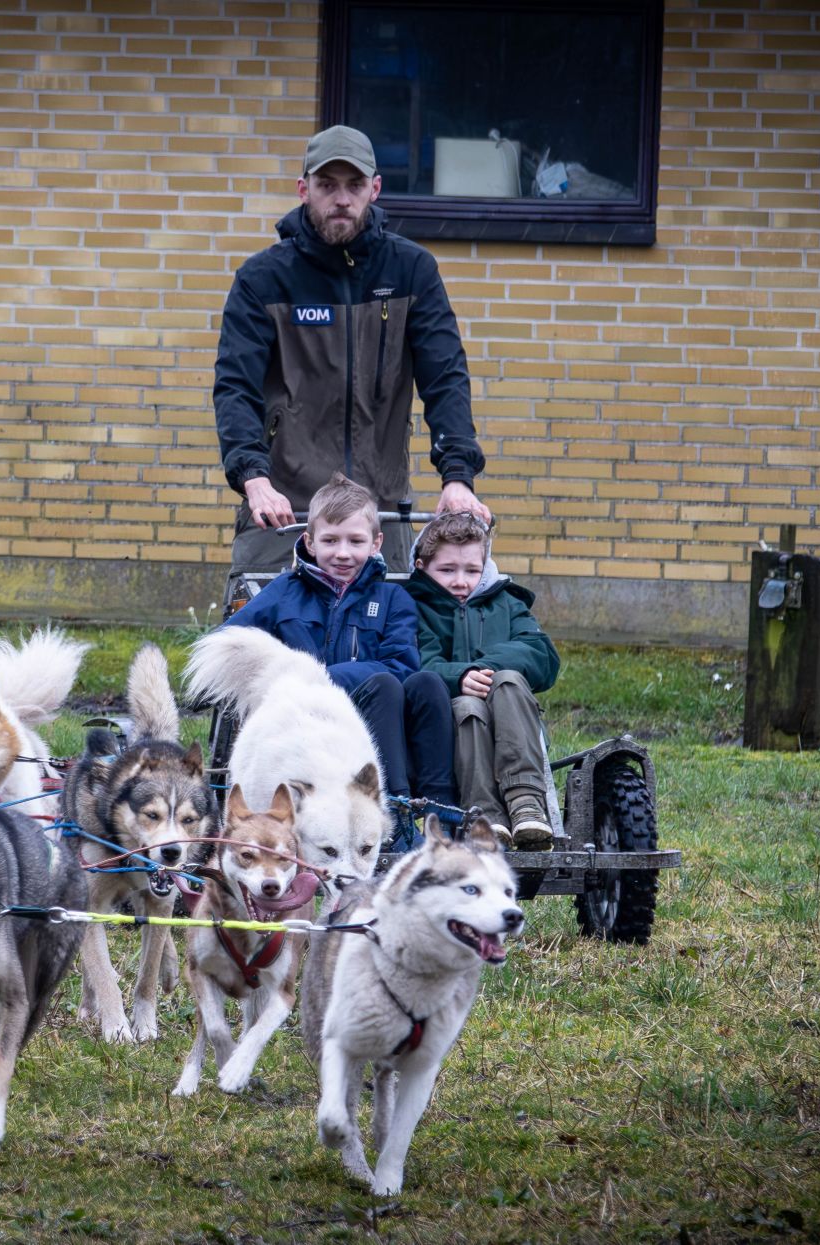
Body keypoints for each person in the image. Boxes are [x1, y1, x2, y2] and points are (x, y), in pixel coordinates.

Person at [214, 124, 493, 575]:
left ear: (375, 189)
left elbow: (446, 379)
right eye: (327, 185)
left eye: (355, 185)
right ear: (304, 190)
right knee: (259, 619)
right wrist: (254, 479)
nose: (341, 198)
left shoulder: (412, 271)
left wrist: (458, 477)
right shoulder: (261, 280)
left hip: (380, 509)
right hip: (285, 508)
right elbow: (235, 387)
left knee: (392, 620)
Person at [224, 473, 458, 850]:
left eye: (355, 541)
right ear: (310, 542)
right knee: (383, 684)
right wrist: (291, 677)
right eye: (330, 540)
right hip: (308, 721)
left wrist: (326, 677)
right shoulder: (285, 591)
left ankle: (442, 814)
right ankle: (394, 815)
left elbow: (402, 664)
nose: (343, 553)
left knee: (422, 683)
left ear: (376, 543)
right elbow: (230, 642)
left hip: (379, 720)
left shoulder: (393, 599)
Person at [404, 511, 562, 850]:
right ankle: (484, 813)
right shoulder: (414, 607)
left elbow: (542, 655)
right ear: (421, 566)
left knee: (508, 680)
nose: (461, 581)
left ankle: (526, 801)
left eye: (472, 571)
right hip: (451, 730)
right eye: (447, 570)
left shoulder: (506, 603)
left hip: (511, 722)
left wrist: (483, 667)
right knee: (468, 704)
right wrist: (458, 677)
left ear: (486, 567)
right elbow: (418, 662)